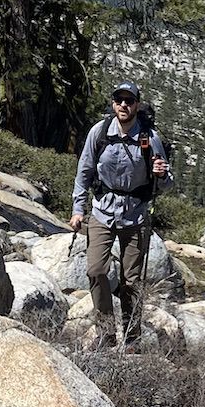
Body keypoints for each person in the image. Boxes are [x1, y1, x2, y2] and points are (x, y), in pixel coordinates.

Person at [71, 82, 171, 343]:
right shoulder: (100, 132)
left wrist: (163, 174)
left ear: (137, 104)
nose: (124, 105)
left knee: (131, 280)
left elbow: (167, 182)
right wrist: (77, 209)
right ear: (114, 103)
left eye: (129, 100)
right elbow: (84, 172)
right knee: (96, 270)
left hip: (135, 215)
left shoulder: (150, 138)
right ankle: (106, 332)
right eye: (119, 100)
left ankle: (131, 337)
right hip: (102, 211)